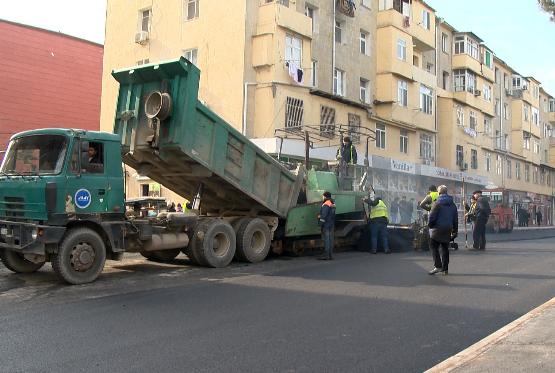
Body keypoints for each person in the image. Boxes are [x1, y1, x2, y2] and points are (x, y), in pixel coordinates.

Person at [428, 185, 458, 275]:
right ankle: (445, 269)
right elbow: (455, 218)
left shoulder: (437, 203)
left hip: (438, 228)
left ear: (439, 193)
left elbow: (432, 216)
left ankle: (438, 266)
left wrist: (430, 225)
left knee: (433, 245)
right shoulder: (452, 204)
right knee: (445, 248)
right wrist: (455, 230)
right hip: (448, 228)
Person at [317, 191, 336, 260]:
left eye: (323, 196)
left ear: (325, 196)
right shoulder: (332, 203)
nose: (322, 197)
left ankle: (326, 255)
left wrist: (320, 222)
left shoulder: (326, 204)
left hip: (326, 224)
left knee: (326, 240)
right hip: (331, 223)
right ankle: (331, 255)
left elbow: (323, 215)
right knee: (331, 240)